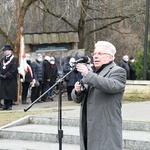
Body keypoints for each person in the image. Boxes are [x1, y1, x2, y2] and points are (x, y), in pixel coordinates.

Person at [71, 41, 126, 150]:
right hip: (88, 126)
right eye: (94, 54)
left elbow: (111, 86)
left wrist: (88, 74)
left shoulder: (118, 71)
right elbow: (77, 99)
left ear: (111, 57)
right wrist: (77, 91)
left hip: (106, 128)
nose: (96, 56)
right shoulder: (93, 73)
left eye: (100, 54)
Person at [0, 45, 18, 110]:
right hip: (3, 79)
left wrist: (7, 75)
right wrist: (1, 74)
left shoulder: (14, 59)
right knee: (4, 92)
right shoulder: (2, 59)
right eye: (4, 51)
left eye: (6, 51)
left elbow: (14, 69)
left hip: (11, 79)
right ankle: (5, 105)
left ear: (10, 51)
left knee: (10, 92)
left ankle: (9, 105)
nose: (5, 52)